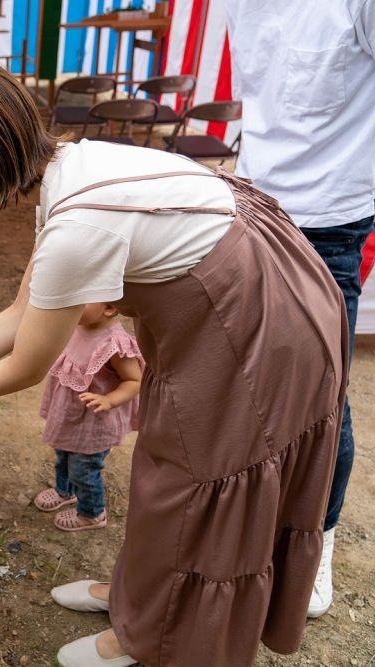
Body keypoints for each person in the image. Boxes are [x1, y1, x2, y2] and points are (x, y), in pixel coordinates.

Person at [0, 57, 346, 667]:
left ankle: (148, 638)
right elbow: (20, 312)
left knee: (191, 487)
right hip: (239, 296)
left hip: (258, 325)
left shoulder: (76, 227)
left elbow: (24, 365)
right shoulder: (69, 165)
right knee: (161, 468)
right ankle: (131, 601)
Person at [225, 0, 375, 619]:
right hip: (251, 205)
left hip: (332, 223)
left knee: (322, 400)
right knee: (242, 383)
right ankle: (251, 533)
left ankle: (317, 545)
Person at [32, 303, 142, 532]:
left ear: (110, 307)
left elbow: (134, 380)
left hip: (94, 422)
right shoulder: (78, 324)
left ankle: (92, 513)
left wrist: (109, 400)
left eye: (81, 299)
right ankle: (65, 491)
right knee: (63, 454)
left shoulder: (114, 343)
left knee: (84, 468)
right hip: (71, 416)